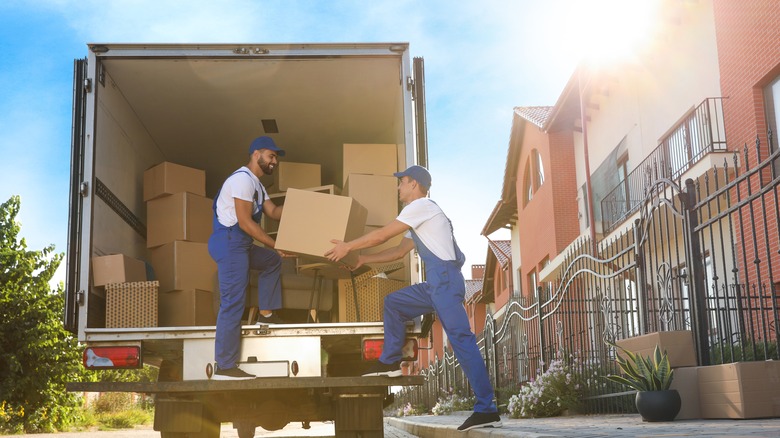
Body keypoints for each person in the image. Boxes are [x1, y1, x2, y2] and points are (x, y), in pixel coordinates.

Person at [324, 165, 502, 431]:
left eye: (402, 182)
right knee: (394, 303)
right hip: (435, 285)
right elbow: (398, 251)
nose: (399, 187)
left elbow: (384, 234)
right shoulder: (419, 217)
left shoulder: (422, 206)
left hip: (444, 282)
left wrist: (347, 246)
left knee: (462, 342)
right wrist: (363, 259)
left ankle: (486, 408)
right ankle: (390, 362)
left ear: (415, 185)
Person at [208, 136, 287, 380]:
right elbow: (244, 222)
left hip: (240, 244)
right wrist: (276, 244)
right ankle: (225, 365)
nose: (274, 161)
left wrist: (304, 207)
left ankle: (267, 315)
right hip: (230, 242)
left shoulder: (258, 185)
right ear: (256, 154)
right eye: (271, 156)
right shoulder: (242, 180)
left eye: (275, 157)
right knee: (232, 302)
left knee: (272, 262)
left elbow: (273, 212)